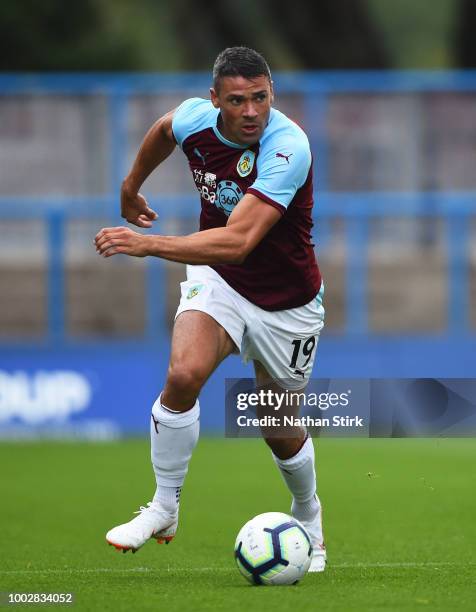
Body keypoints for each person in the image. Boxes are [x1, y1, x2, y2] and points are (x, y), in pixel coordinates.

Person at [95, 46, 326, 572]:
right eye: (238, 100)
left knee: (276, 421)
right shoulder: (196, 119)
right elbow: (163, 129)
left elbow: (239, 239)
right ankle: (163, 507)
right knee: (184, 373)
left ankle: (309, 515)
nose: (251, 112)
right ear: (215, 99)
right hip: (218, 279)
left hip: (286, 303)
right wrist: (132, 186)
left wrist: (148, 244)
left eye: (261, 98)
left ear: (273, 94)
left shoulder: (288, 146)